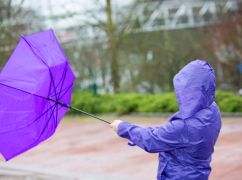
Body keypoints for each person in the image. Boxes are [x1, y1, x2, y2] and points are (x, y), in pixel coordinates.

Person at [110, 60, 221, 180]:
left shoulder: (185, 126)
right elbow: (172, 133)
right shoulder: (213, 110)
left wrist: (122, 127)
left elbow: (152, 140)